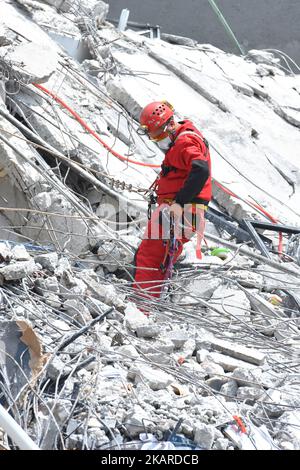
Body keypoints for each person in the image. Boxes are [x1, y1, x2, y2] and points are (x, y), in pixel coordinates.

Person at [133, 101, 212, 298]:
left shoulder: (185, 142)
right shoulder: (185, 138)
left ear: (169, 124)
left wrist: (178, 203)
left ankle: (142, 306)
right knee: (160, 256)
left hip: (181, 211)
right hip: (185, 211)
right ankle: (148, 302)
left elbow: (201, 169)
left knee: (150, 257)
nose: (157, 139)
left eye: (158, 134)